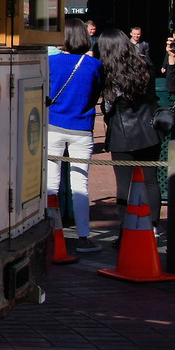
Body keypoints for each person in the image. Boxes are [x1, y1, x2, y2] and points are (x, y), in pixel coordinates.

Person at [96, 29, 163, 229]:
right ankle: (153, 227)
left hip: (122, 133)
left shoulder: (110, 73)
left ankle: (126, 229)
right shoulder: (144, 65)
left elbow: (109, 106)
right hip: (150, 129)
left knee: (124, 183)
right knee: (151, 180)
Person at [47, 15, 103, 253]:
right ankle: (83, 235)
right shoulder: (94, 65)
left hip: (53, 125)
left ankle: (53, 231)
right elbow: (95, 94)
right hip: (82, 127)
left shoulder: (49, 62)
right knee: (80, 183)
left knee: (51, 182)